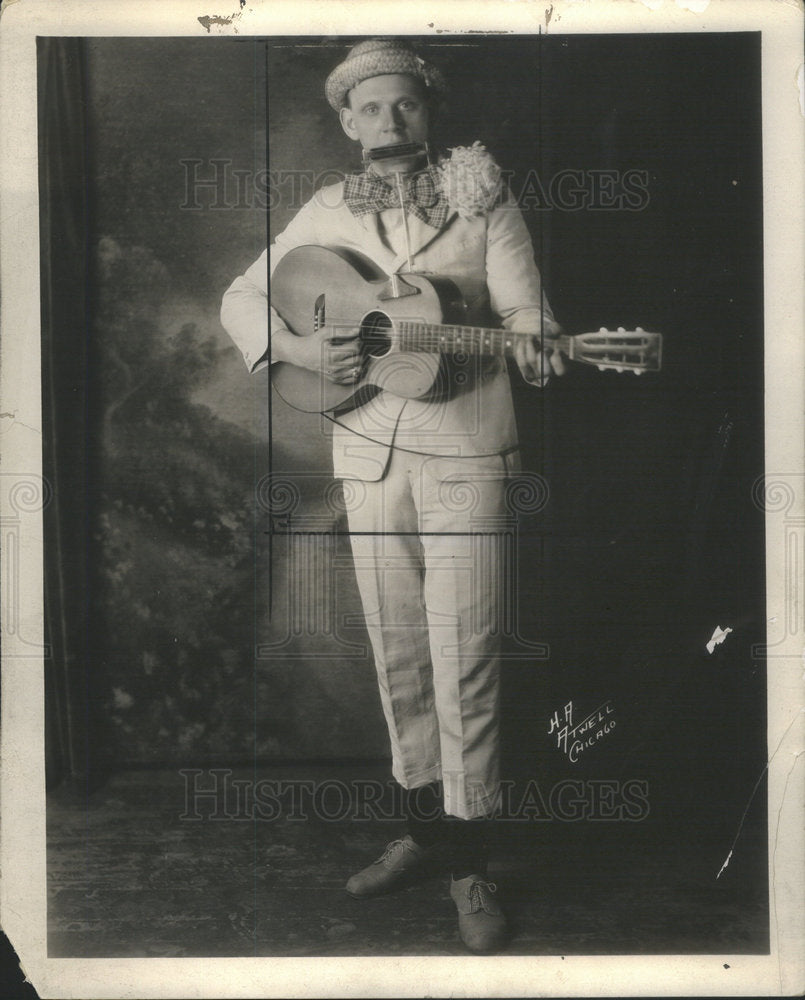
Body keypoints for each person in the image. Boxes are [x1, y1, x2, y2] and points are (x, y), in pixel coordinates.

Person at [220, 37, 565, 954]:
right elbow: (243, 297)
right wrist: (294, 351)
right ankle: (420, 830)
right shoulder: (327, 207)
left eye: (404, 105)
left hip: (467, 453)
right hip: (368, 450)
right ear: (346, 123)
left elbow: (524, 313)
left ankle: (472, 863)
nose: (389, 122)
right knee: (399, 651)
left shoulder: (483, 199)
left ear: (429, 111)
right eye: (369, 109)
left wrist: (535, 341)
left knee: (470, 655)